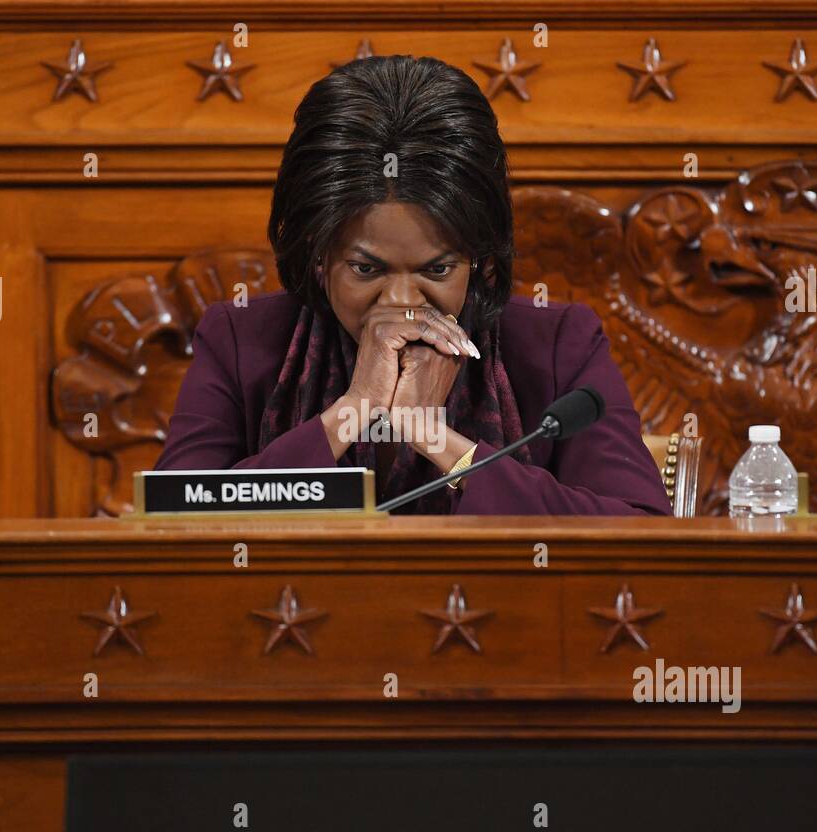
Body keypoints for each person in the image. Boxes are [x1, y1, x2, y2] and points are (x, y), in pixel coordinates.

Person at [155, 55, 673, 517]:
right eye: (366, 269)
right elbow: (172, 519)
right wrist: (352, 412)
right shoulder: (241, 340)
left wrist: (433, 438)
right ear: (316, 255)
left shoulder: (559, 344)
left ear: (480, 257)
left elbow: (638, 531)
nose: (402, 304)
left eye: (438, 270)